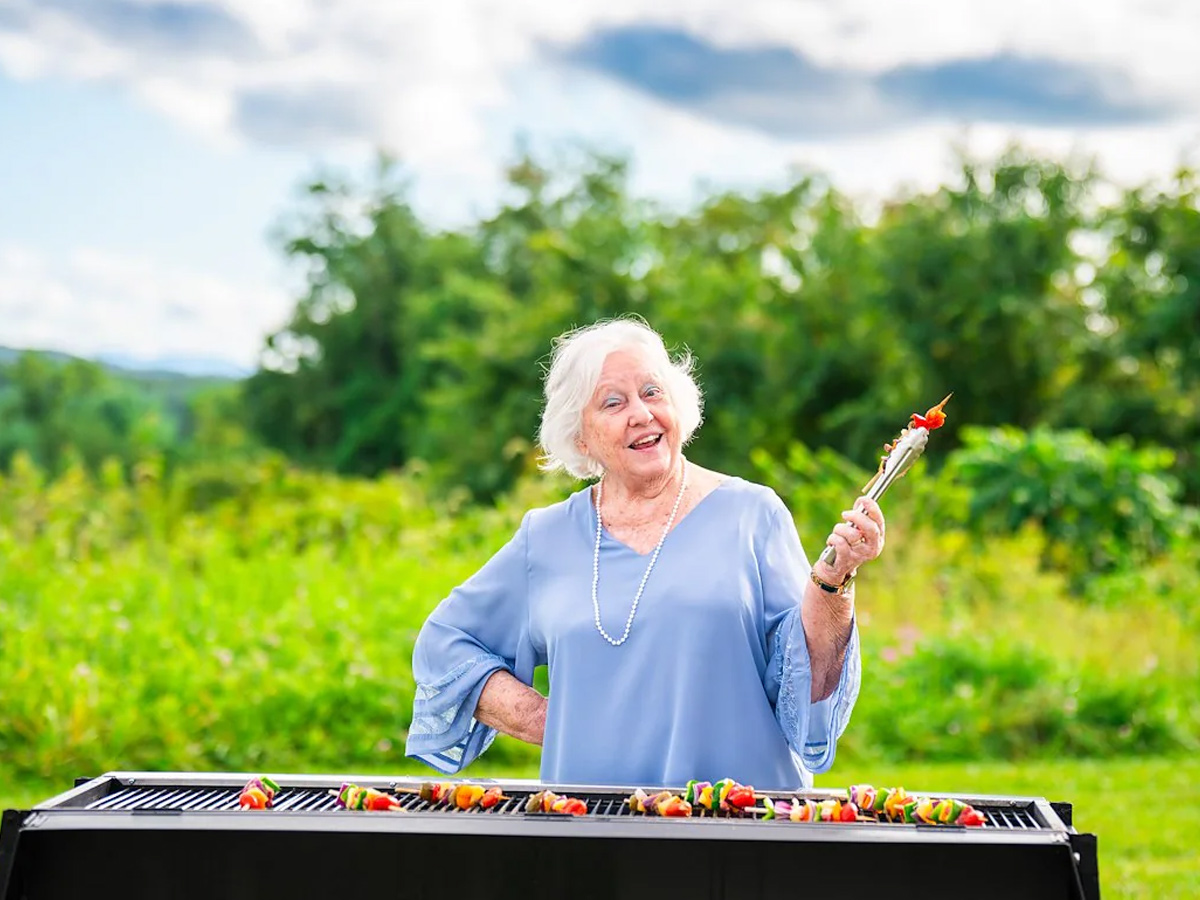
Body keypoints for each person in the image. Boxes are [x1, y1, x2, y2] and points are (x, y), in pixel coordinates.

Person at [405, 318, 884, 789]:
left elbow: (810, 683)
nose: (641, 413)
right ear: (581, 436)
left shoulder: (752, 513)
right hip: (595, 829)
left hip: (743, 826)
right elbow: (443, 645)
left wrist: (834, 581)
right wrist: (548, 722)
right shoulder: (546, 537)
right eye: (613, 402)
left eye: (652, 392)